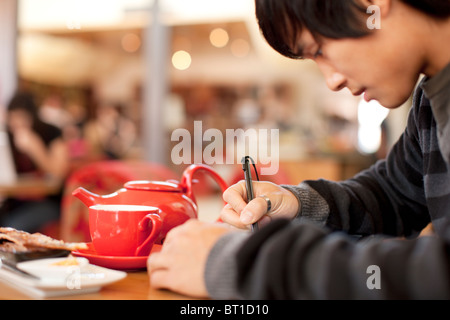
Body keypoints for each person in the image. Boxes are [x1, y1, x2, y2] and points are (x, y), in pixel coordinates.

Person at [147, 0, 450, 299]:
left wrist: (248, 265)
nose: (332, 81)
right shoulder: (432, 102)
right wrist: (299, 203)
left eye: (318, 49)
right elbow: (394, 194)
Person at [0, 92, 69, 233]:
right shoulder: (7, 136)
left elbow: (59, 172)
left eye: (22, 117)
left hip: (49, 202)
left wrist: (36, 149)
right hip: (16, 201)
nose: (17, 123)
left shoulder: (51, 132)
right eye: (13, 117)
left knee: (12, 226)